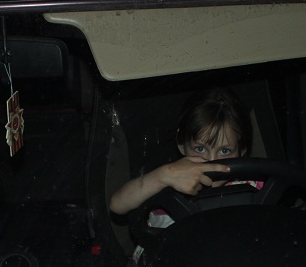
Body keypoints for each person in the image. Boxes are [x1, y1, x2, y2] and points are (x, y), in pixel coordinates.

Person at [109, 86, 260, 220]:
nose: (211, 161)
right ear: (182, 145)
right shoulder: (168, 186)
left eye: (225, 151)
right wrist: (163, 176)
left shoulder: (258, 190)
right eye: (200, 149)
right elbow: (117, 205)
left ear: (242, 150)